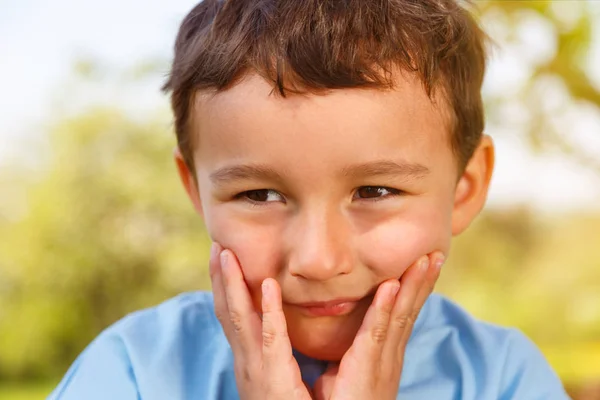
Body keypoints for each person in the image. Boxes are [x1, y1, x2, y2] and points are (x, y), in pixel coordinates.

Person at [48, 0, 570, 399]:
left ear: (466, 187)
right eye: (260, 194)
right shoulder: (133, 371)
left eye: (375, 191)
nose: (319, 260)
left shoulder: (504, 378)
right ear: (196, 191)